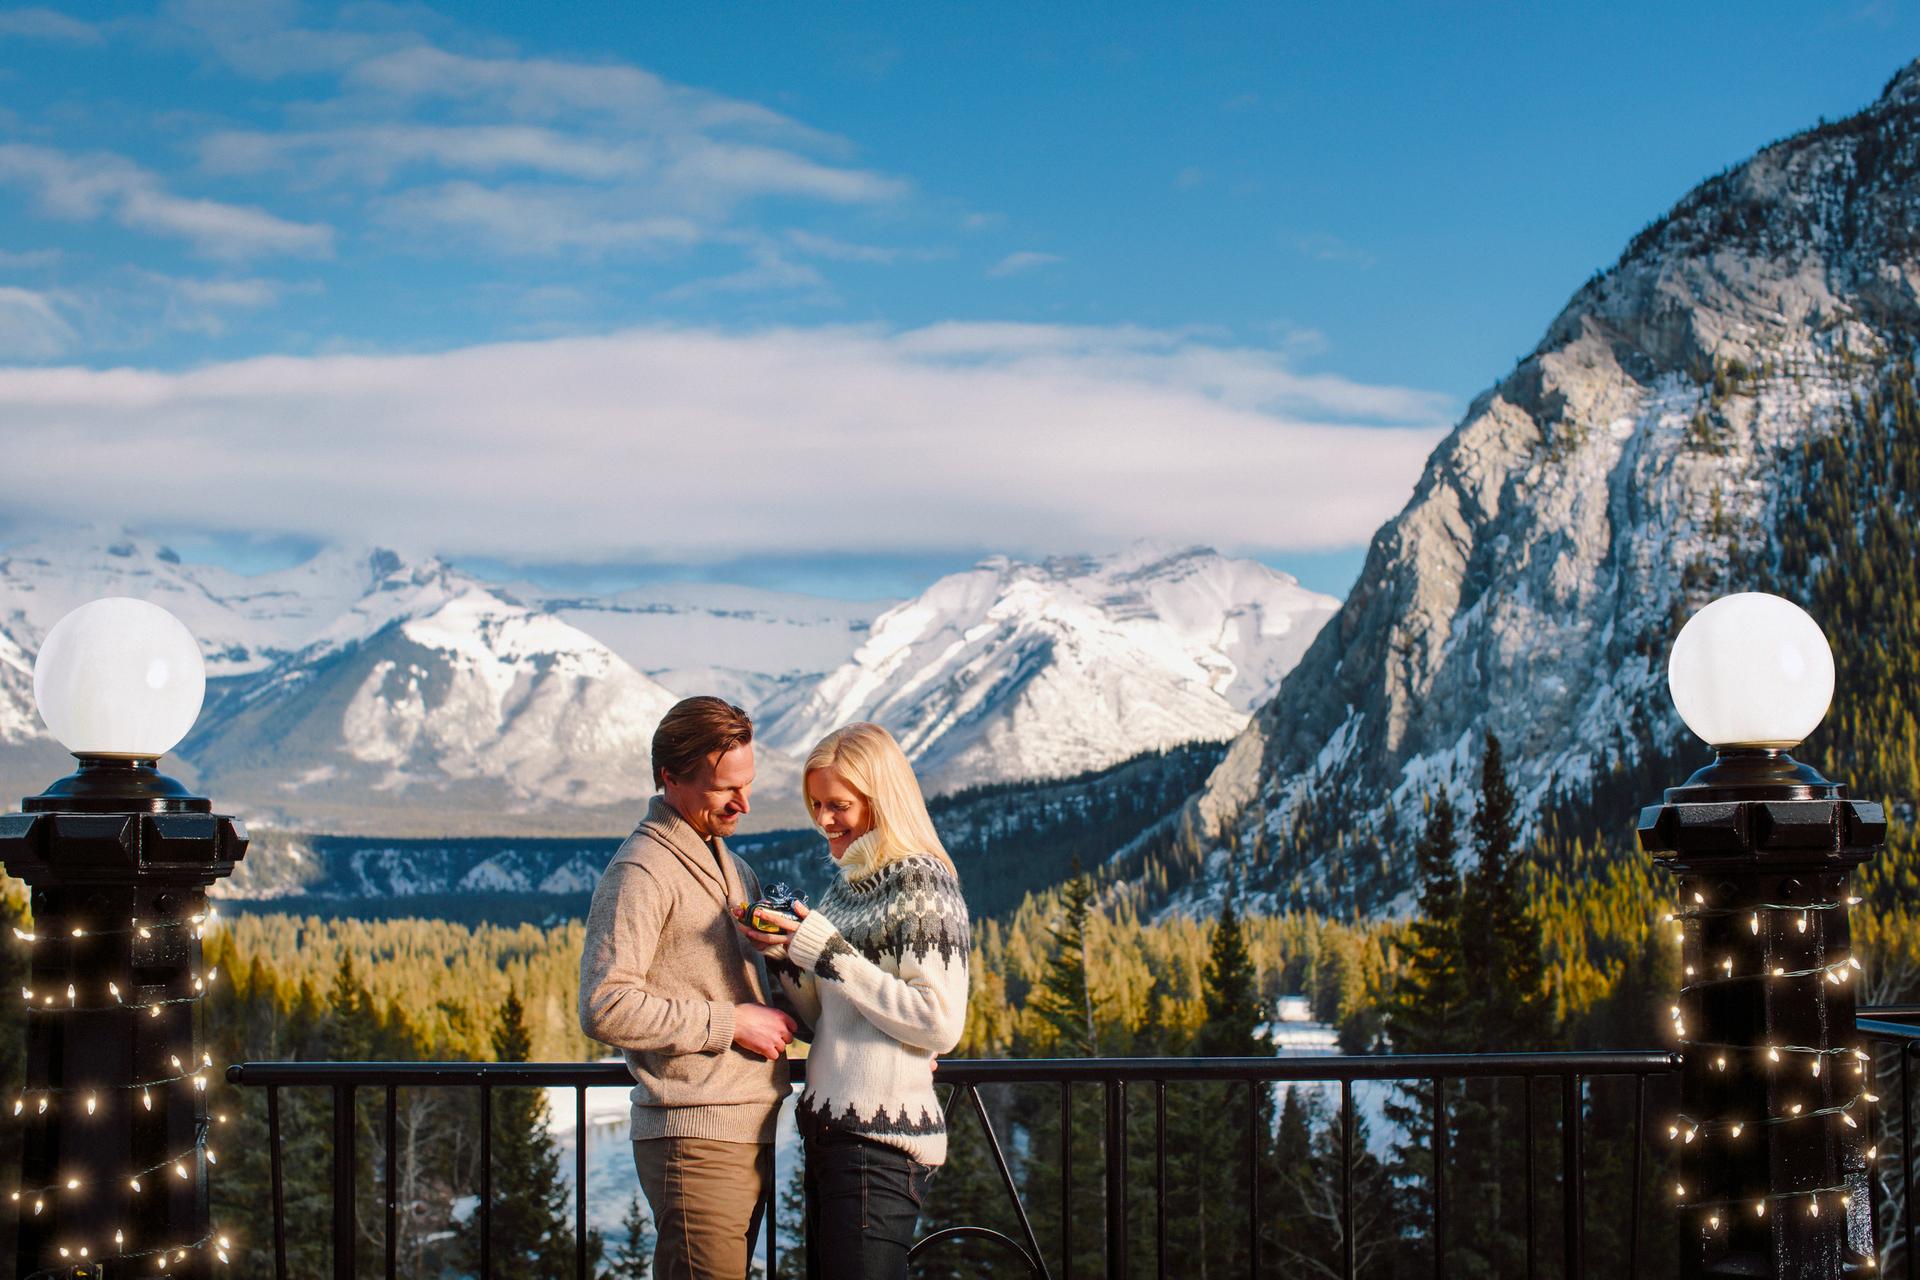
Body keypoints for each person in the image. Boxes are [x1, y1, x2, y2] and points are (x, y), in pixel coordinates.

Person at [738, 722, 970, 1280]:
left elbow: (937, 1022)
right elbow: (823, 1021)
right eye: (815, 804)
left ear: (880, 799)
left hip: (878, 1144)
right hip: (831, 1135)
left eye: (838, 804)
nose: (823, 820)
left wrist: (828, 953)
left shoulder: (921, 882)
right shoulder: (845, 886)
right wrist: (782, 958)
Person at [579, 696, 798, 1280]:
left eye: (747, 785)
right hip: (693, 1137)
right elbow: (605, 1003)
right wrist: (732, 1022)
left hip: (740, 1128)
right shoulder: (642, 871)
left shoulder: (727, 862)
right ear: (670, 778)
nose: (744, 804)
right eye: (725, 789)